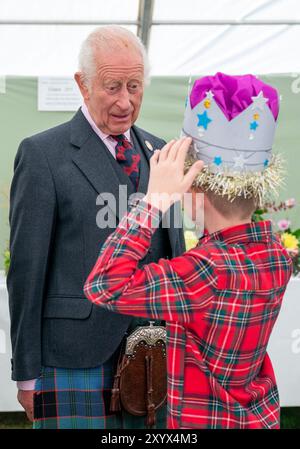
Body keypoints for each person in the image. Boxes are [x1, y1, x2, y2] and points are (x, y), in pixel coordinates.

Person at [84, 73, 293, 429]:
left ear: (193, 190)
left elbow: (103, 285)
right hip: (260, 418)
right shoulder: (275, 254)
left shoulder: (203, 271)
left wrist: (153, 202)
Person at [7, 26, 184, 429]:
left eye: (135, 86)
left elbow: (174, 256)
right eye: (112, 86)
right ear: (82, 85)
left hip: (153, 357)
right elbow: (26, 272)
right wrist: (27, 371)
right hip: (72, 358)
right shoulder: (42, 155)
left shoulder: (161, 153)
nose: (126, 101)